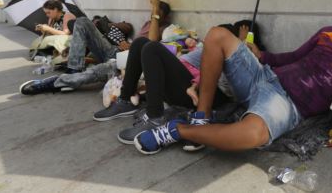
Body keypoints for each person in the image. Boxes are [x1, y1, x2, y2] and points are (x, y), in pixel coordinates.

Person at [133, 4, 332, 155]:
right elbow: (293, 57)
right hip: (265, 77)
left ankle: (180, 131)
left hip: (287, 104)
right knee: (217, 35)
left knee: (251, 136)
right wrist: (263, 55)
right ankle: (201, 118)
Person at [93, 20, 265, 151]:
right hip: (190, 87)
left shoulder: (248, 61)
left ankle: (155, 117)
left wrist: (244, 47)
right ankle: (125, 100)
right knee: (141, 44)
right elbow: (184, 63)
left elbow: (234, 84)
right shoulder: (204, 49)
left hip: (209, 98)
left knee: (152, 48)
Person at [19, 0, 171, 95]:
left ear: (160, 15)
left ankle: (56, 82)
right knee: (82, 22)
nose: (151, 14)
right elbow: (131, 31)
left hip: (127, 62)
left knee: (97, 71)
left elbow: (151, 42)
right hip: (114, 50)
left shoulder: (165, 28)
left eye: (155, 12)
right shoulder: (147, 23)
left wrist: (155, 10)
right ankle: (74, 69)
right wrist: (128, 43)